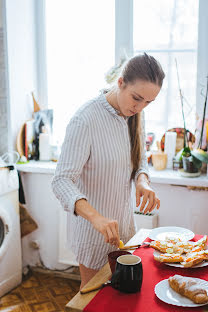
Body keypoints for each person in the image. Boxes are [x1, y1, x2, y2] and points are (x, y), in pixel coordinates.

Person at [52, 53, 165, 289]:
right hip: (93, 234)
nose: (140, 107)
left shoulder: (133, 115)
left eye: (148, 103)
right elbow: (61, 180)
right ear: (121, 82)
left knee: (120, 295)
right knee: (93, 297)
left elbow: (139, 160)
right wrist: (96, 218)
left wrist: (142, 181)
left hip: (124, 228)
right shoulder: (85, 119)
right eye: (137, 98)